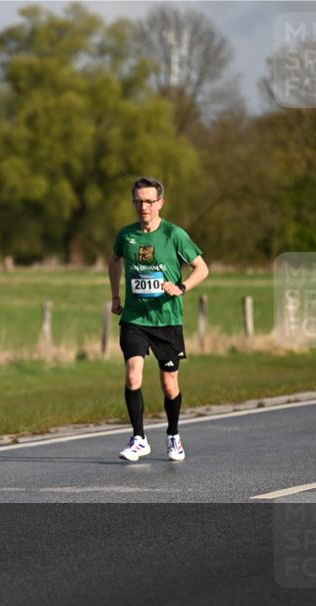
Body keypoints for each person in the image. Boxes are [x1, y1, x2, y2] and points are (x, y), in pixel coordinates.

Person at [109, 176, 209, 462]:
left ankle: (173, 435)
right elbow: (113, 261)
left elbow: (202, 268)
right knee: (132, 375)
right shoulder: (126, 236)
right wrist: (116, 296)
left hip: (166, 320)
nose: (144, 207)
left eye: (150, 201)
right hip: (135, 319)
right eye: (139, 201)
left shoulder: (174, 234)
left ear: (160, 203)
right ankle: (139, 439)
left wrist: (181, 287)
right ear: (134, 203)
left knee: (170, 385)